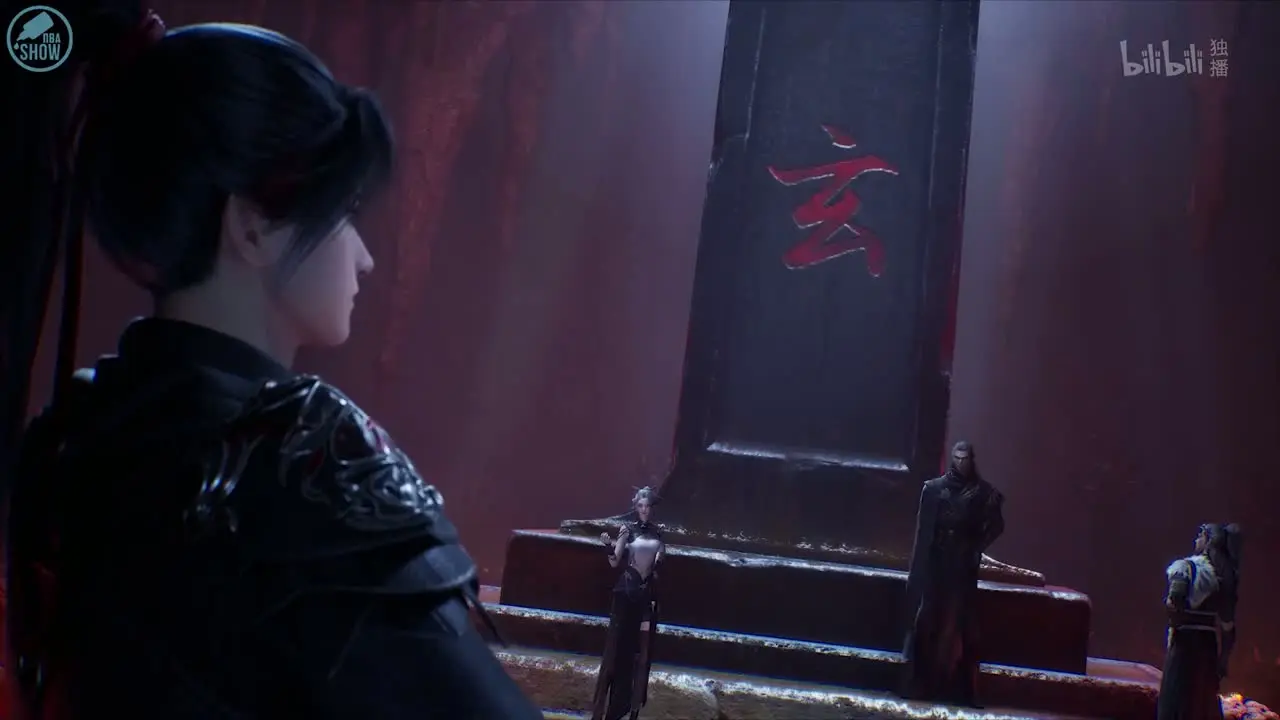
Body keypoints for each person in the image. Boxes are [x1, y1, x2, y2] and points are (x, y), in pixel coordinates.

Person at [3, 3, 543, 718]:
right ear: (252, 226)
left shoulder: (74, 435)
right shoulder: (305, 462)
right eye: (342, 212)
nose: (363, 256)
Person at [900, 440, 1004, 707]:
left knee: (966, 629)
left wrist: (976, 546)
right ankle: (920, 682)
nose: (961, 463)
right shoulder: (934, 489)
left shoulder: (982, 492)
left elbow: (996, 524)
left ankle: (966, 688)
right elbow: (924, 534)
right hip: (937, 566)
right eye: (957, 458)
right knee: (925, 622)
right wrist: (918, 571)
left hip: (962, 568)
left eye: (965, 458)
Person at [591, 486, 664, 720]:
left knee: (642, 652)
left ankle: (632, 710)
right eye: (641, 506)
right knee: (615, 650)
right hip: (625, 593)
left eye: (648, 506)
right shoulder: (627, 530)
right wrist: (607, 545)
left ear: (652, 508)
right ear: (636, 507)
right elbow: (614, 561)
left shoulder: (658, 533)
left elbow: (658, 562)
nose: (644, 510)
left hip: (645, 596)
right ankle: (602, 710)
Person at [1157, 523, 1243, 720]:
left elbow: (1176, 600)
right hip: (1208, 647)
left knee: (1177, 699)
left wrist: (1174, 612)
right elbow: (1228, 627)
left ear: (1207, 540)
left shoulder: (1185, 567)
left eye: (1200, 535)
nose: (1196, 539)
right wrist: (1223, 660)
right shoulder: (1225, 578)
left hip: (1185, 644)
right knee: (1200, 703)